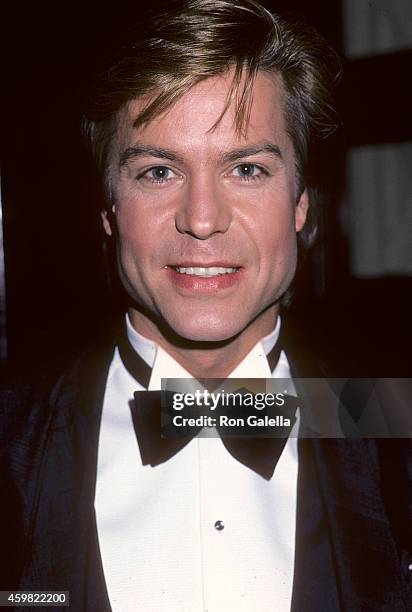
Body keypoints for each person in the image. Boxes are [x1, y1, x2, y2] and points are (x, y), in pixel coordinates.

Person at [1, 1, 411, 610]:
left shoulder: (395, 428)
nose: (201, 220)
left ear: (301, 202)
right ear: (109, 207)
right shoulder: (11, 436)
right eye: (159, 171)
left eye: (246, 168)